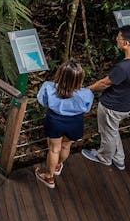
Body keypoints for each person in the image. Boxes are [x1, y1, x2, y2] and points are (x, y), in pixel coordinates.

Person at [82, 25, 130, 170]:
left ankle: (104, 157)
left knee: (107, 133)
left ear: (126, 43)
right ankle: (119, 159)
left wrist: (86, 89)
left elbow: (105, 83)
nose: (116, 39)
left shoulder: (124, 68)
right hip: (126, 103)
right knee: (112, 130)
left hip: (112, 106)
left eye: (119, 38)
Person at [34, 60, 93, 189]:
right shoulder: (86, 94)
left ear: (60, 74)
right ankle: (57, 165)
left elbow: (43, 102)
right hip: (75, 122)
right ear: (79, 79)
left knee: (54, 149)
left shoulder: (48, 87)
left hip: (55, 120)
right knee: (66, 147)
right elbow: (87, 109)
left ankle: (49, 177)